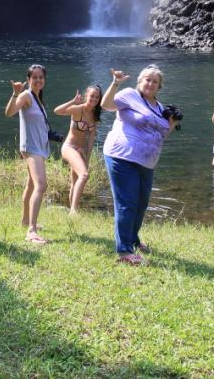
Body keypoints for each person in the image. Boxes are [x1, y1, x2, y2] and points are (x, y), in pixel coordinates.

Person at [100, 65, 178, 265]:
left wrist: (172, 123)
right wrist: (115, 83)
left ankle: (133, 240)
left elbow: (161, 135)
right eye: (147, 79)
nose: (150, 83)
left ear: (159, 86)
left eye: (154, 81)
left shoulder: (160, 108)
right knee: (127, 203)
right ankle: (124, 251)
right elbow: (106, 105)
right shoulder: (129, 95)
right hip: (122, 156)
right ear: (139, 81)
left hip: (147, 162)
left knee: (141, 203)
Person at [6, 65, 52, 243]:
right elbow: (10, 112)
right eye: (35, 77)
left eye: (41, 77)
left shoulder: (38, 97)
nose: (38, 80)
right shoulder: (25, 95)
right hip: (31, 148)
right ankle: (31, 231)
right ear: (29, 79)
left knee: (32, 184)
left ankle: (26, 221)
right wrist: (15, 93)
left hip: (38, 147)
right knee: (41, 185)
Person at [53, 84, 102, 214]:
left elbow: (91, 139)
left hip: (81, 150)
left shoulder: (95, 115)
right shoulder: (77, 109)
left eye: (97, 97)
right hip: (69, 147)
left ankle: (73, 211)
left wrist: (88, 158)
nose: (94, 99)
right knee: (84, 175)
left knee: (75, 183)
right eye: (92, 96)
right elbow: (57, 111)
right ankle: (74, 210)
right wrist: (73, 101)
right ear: (86, 96)